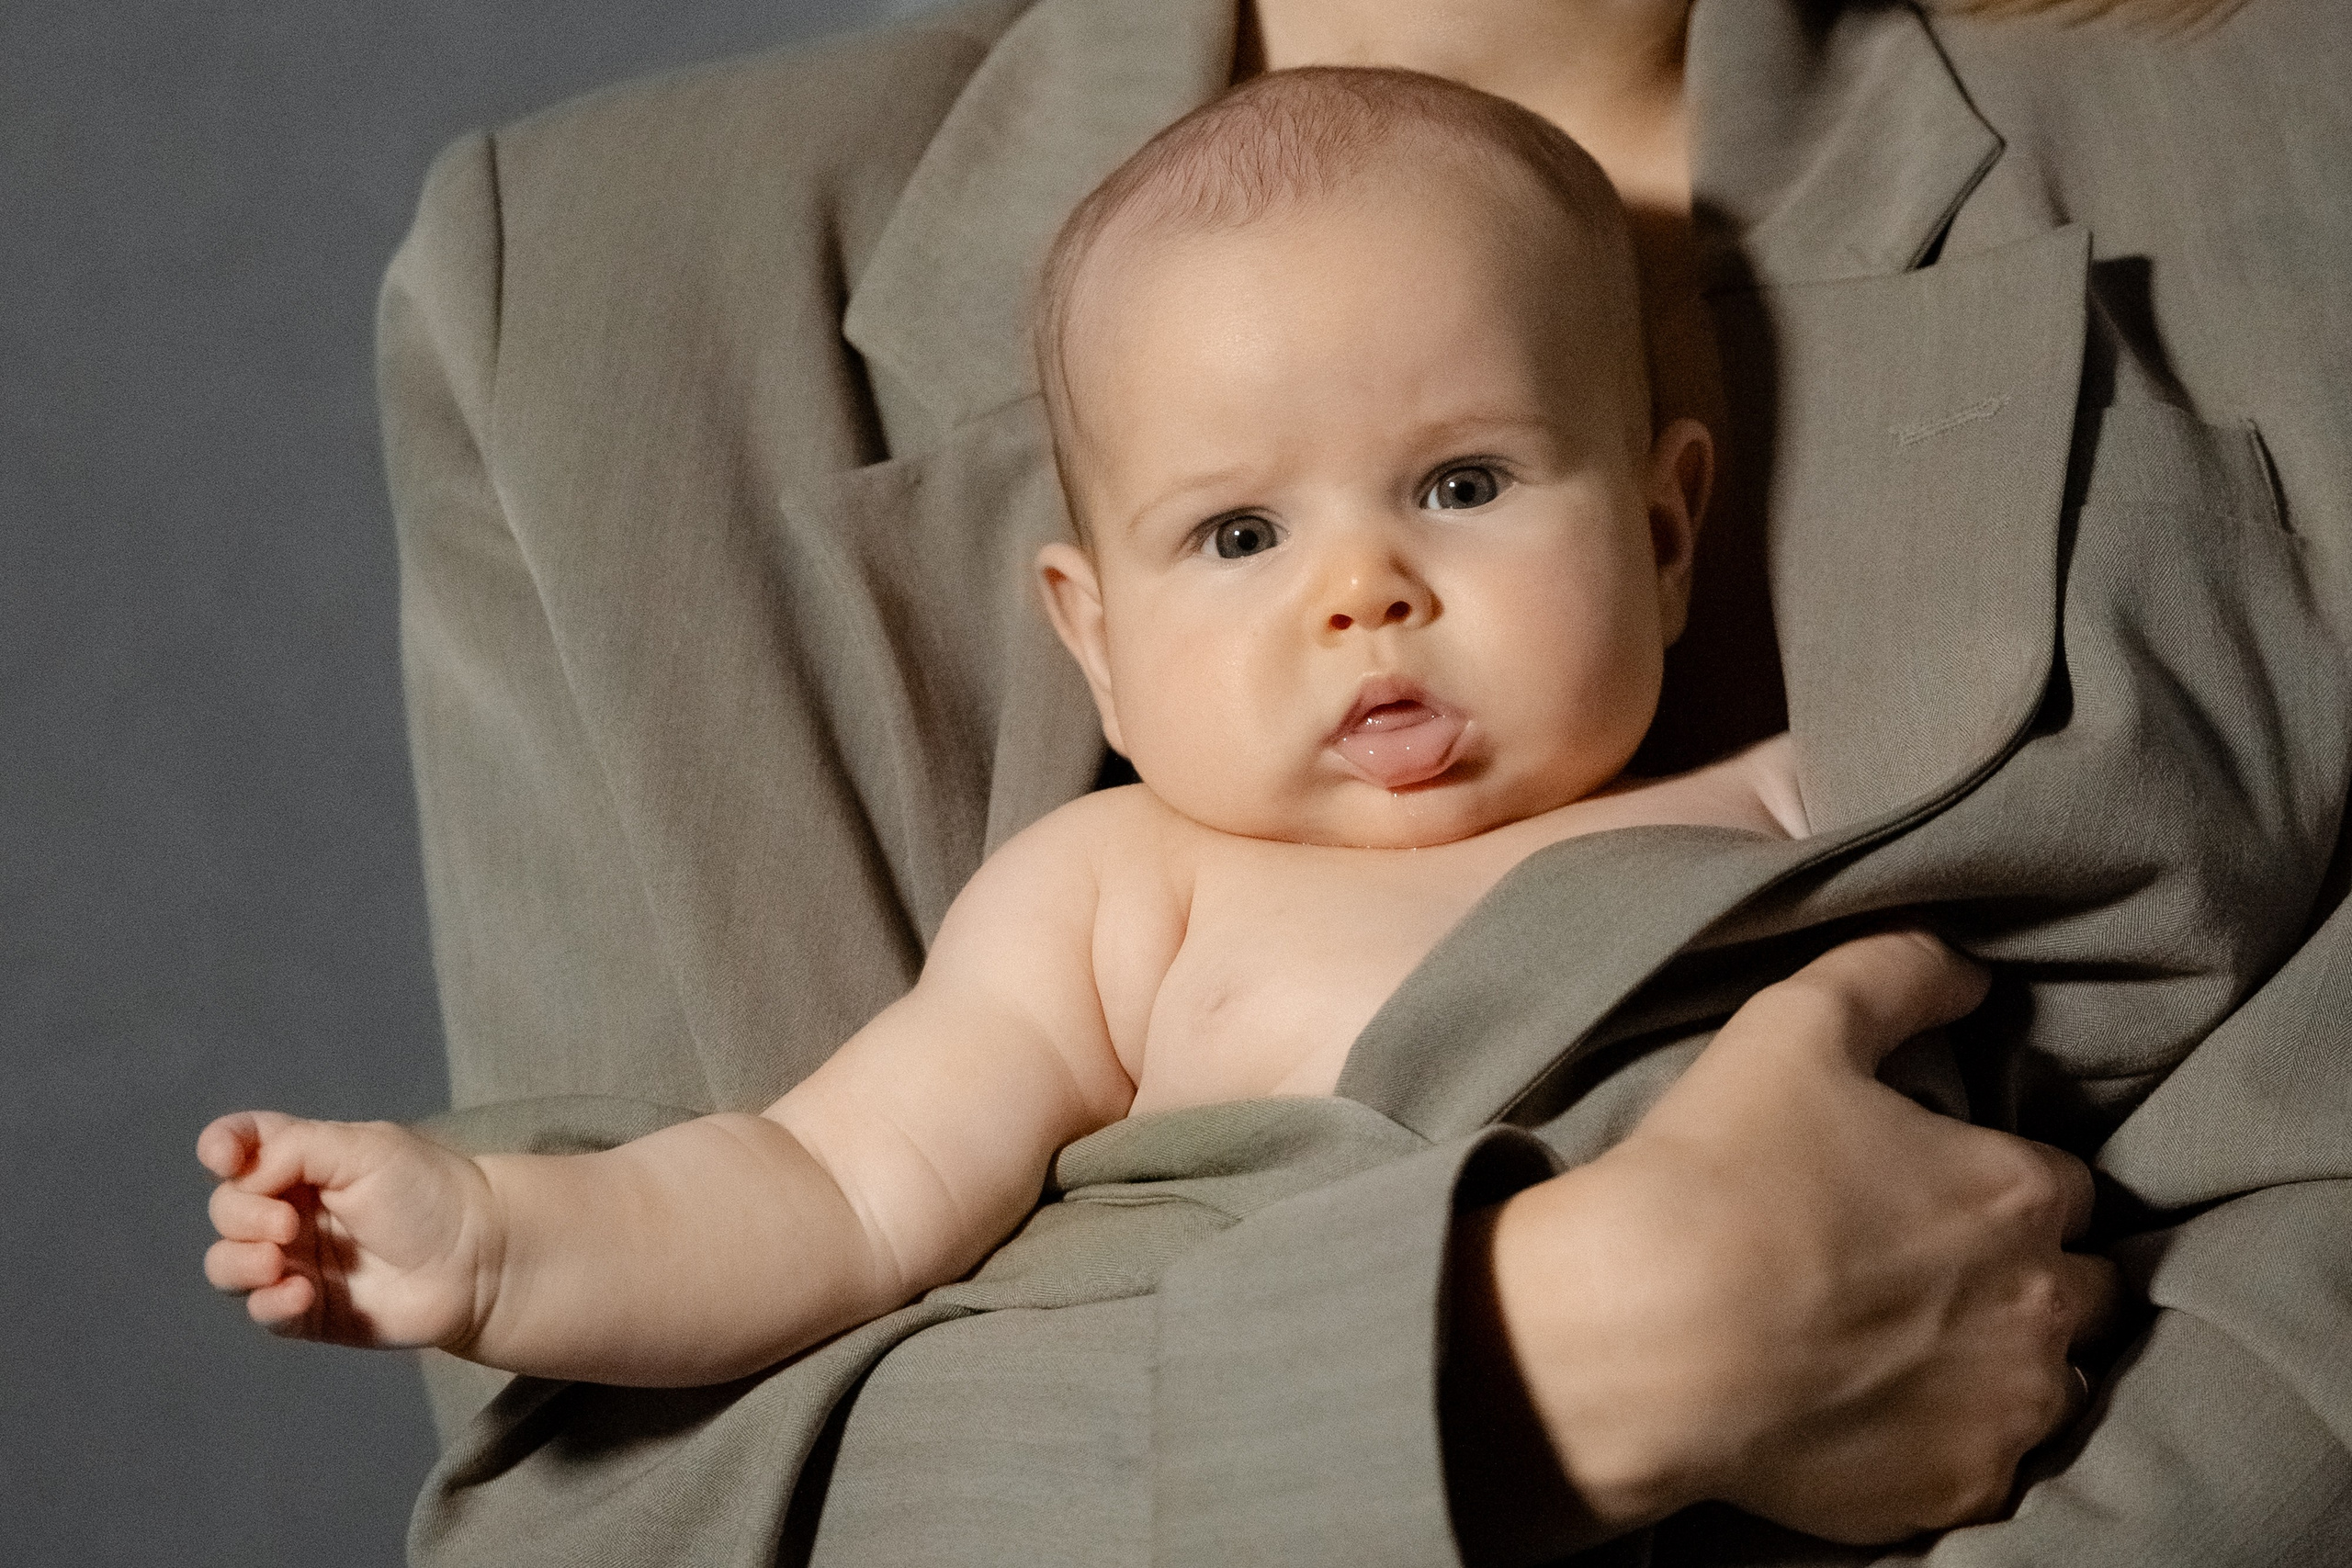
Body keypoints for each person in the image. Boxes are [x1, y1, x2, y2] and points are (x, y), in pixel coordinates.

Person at [350, 2, 2352, 1564]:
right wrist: (503, 1233)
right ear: (1087, 630)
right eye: (1231, 536)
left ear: (1670, 531)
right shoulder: (1111, 895)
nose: (1363, 589)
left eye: (1466, 486)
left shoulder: (2282, 111)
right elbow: (801, 1219)